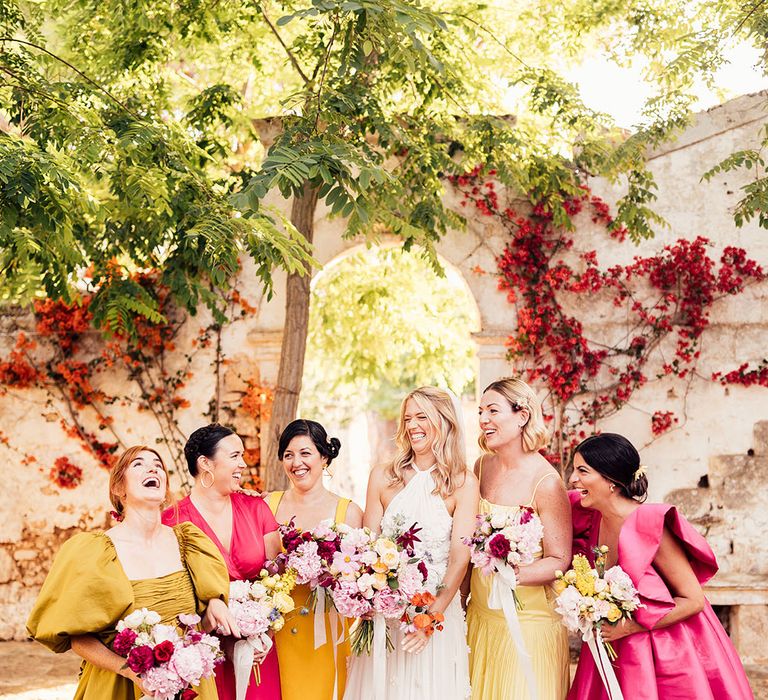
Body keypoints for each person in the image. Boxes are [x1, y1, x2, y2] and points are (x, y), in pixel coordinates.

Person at [27, 445, 234, 700]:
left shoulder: (190, 543)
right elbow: (79, 639)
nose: (152, 468)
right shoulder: (93, 552)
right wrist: (131, 673)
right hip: (118, 686)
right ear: (118, 488)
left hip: (187, 688)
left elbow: (200, 623)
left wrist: (215, 605)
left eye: (158, 465)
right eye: (138, 464)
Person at [568, 432, 754, 700]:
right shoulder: (595, 519)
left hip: (667, 653)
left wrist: (633, 627)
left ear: (610, 480)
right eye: (574, 470)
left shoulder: (648, 524)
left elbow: (693, 600)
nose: (573, 479)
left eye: (582, 471)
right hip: (612, 650)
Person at [343, 386, 479, 700]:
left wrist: (431, 616)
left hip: (435, 612)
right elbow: (369, 546)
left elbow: (460, 558)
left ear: (444, 422)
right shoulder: (382, 476)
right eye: (408, 418)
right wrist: (369, 598)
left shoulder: (462, 483)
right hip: (386, 617)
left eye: (422, 417)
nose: (412, 425)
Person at [465, 377, 571, 700]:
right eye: (481, 411)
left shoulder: (547, 482)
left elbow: (559, 560)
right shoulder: (481, 466)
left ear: (522, 415)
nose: (483, 420)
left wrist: (507, 571)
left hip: (528, 627)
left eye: (493, 411)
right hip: (481, 620)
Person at [163, 424, 282, 700]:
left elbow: (278, 577)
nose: (242, 464)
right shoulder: (172, 521)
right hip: (203, 652)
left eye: (242, 456)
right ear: (205, 463)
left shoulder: (257, 508)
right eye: (234, 456)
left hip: (257, 649)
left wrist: (266, 628)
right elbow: (172, 595)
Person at [265, 419, 363, 700]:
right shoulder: (268, 505)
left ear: (324, 456)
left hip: (329, 630)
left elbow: (358, 580)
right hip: (279, 630)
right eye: (289, 455)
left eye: (305, 453)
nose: (297, 463)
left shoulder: (349, 512)